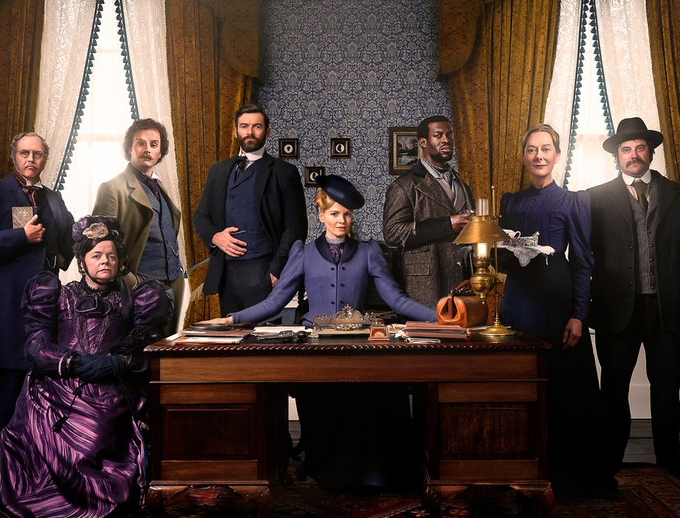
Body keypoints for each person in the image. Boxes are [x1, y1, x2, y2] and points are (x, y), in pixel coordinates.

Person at [204, 175, 435, 492]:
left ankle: (370, 473)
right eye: (335, 213)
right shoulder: (303, 252)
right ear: (321, 214)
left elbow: (397, 300)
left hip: (358, 346)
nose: (342, 221)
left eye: (347, 214)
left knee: (377, 389)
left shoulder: (369, 251)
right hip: (315, 349)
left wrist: (441, 318)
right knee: (322, 392)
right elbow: (275, 302)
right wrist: (232, 319)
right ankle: (328, 469)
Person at [0, 216, 172, 517]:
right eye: (96, 255)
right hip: (57, 385)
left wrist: (117, 363)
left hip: (110, 386)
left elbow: (147, 351)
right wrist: (73, 362)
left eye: (111, 256)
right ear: (82, 263)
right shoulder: (57, 294)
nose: (105, 261)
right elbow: (36, 347)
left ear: (120, 261)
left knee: (98, 430)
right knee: (30, 428)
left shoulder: (133, 300)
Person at [588, 117, 680, 477]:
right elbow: (583, 256)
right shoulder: (594, 198)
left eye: (640, 147)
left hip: (667, 306)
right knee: (613, 387)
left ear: (651, 152)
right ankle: (611, 459)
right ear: (617, 155)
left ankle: (670, 457)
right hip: (615, 309)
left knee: (666, 385)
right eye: (626, 149)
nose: (633, 154)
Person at [498, 124, 614, 496]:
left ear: (557, 155)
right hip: (518, 300)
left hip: (556, 303)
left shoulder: (573, 201)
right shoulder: (509, 202)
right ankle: (519, 469)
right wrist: (502, 247)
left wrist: (578, 315)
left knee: (564, 388)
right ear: (524, 157)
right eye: (532, 149)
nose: (539, 156)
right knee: (518, 386)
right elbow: (503, 260)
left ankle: (570, 477)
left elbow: (582, 263)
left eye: (546, 149)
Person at [0, 131, 75, 434]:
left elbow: (69, 236)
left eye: (37, 154)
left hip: (46, 308)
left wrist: (61, 257)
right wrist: (21, 236)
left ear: (45, 159)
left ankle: (36, 454)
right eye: (25, 153)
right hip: (8, 306)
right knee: (10, 388)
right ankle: (5, 456)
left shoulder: (53, 198)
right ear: (14, 156)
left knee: (43, 387)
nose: (31, 159)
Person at [193, 104, 308, 316]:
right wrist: (215, 237)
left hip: (263, 271)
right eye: (244, 126)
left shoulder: (284, 172)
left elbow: (296, 228)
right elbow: (200, 216)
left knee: (263, 336)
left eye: (257, 126)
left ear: (267, 132)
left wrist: (275, 271)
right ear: (235, 131)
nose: (250, 132)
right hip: (225, 274)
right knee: (231, 335)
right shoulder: (218, 170)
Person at [93, 118, 184, 332]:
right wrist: (130, 280)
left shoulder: (160, 186)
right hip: (139, 281)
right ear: (129, 149)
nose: (147, 149)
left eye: (154, 144)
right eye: (140, 143)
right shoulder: (111, 188)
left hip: (174, 280)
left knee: (168, 347)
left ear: (160, 152)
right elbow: (100, 244)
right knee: (139, 348)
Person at [383, 115, 473, 308]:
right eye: (438, 135)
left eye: (449, 135)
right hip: (426, 284)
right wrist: (447, 224)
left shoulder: (463, 185)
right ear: (423, 142)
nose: (446, 140)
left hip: (461, 282)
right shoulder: (403, 186)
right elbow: (393, 233)